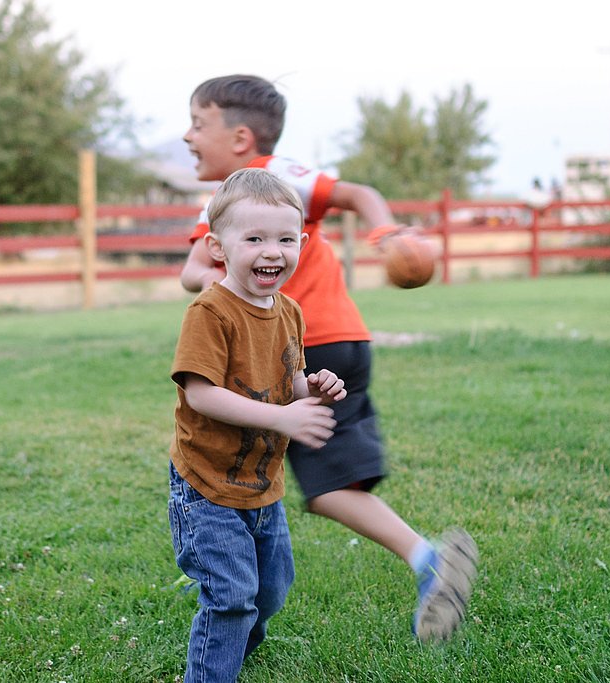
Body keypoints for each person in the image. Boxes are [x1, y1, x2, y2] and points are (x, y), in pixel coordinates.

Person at [179, 74, 478, 643]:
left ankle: (424, 558)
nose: (188, 137)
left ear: (241, 138)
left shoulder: (243, 193)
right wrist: (386, 230)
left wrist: (219, 270)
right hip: (348, 339)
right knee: (311, 473)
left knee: (282, 475)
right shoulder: (285, 179)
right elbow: (359, 195)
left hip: (297, 346)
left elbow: (193, 271)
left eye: (198, 124)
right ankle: (246, 583)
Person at [169, 167, 348, 682]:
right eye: (255, 239)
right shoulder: (210, 311)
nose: (273, 251)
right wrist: (282, 416)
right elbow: (200, 394)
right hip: (206, 486)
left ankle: (229, 647)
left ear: (303, 244)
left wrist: (313, 389)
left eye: (285, 239)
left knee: (267, 593)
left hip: (262, 485)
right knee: (230, 597)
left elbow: (289, 381)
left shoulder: (289, 311)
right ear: (217, 247)